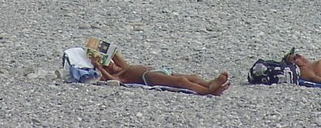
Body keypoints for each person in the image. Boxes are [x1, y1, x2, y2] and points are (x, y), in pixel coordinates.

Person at [89, 50, 230, 96]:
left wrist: (95, 47)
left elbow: (113, 51)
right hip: (149, 77)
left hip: (159, 70)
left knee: (192, 77)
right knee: (181, 81)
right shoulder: (119, 76)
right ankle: (207, 91)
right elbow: (112, 81)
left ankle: (209, 83)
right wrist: (99, 67)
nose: (111, 63)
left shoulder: (123, 67)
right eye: (107, 65)